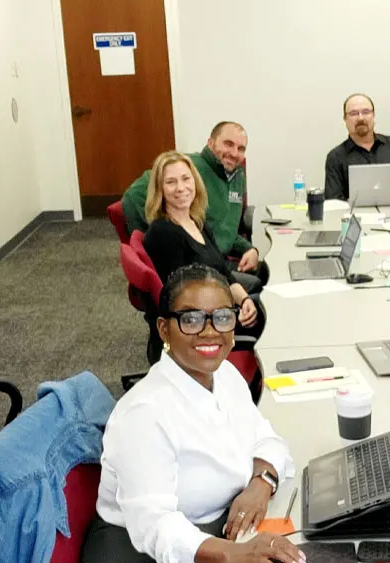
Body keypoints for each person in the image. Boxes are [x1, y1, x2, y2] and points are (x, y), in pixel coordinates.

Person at [83, 264, 304, 563]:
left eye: (223, 317)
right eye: (191, 319)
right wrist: (236, 553)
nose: (210, 331)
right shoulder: (143, 415)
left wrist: (261, 483)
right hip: (146, 551)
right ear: (164, 329)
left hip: (217, 529)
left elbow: (267, 438)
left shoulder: (225, 375)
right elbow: (156, 526)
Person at [123, 121, 268, 290]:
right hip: (201, 269)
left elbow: (226, 230)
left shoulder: (236, 176)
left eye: (241, 148)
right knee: (259, 288)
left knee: (269, 271)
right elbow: (132, 197)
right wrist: (157, 235)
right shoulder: (189, 167)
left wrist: (249, 249)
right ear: (210, 143)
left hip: (219, 260)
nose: (234, 153)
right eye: (228, 144)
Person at [143, 152, 263, 340]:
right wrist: (228, 313)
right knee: (271, 313)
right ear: (160, 190)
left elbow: (224, 272)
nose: (181, 188)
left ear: (195, 182)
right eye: (171, 182)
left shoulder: (196, 221)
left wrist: (244, 300)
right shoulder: (164, 233)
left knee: (264, 304)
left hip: (216, 308)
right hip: (201, 325)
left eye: (185, 179)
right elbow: (183, 299)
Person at [324, 93, 390, 201]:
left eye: (366, 112)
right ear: (345, 119)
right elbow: (333, 202)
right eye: (354, 113)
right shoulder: (335, 157)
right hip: (357, 217)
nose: (361, 118)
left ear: (373, 115)